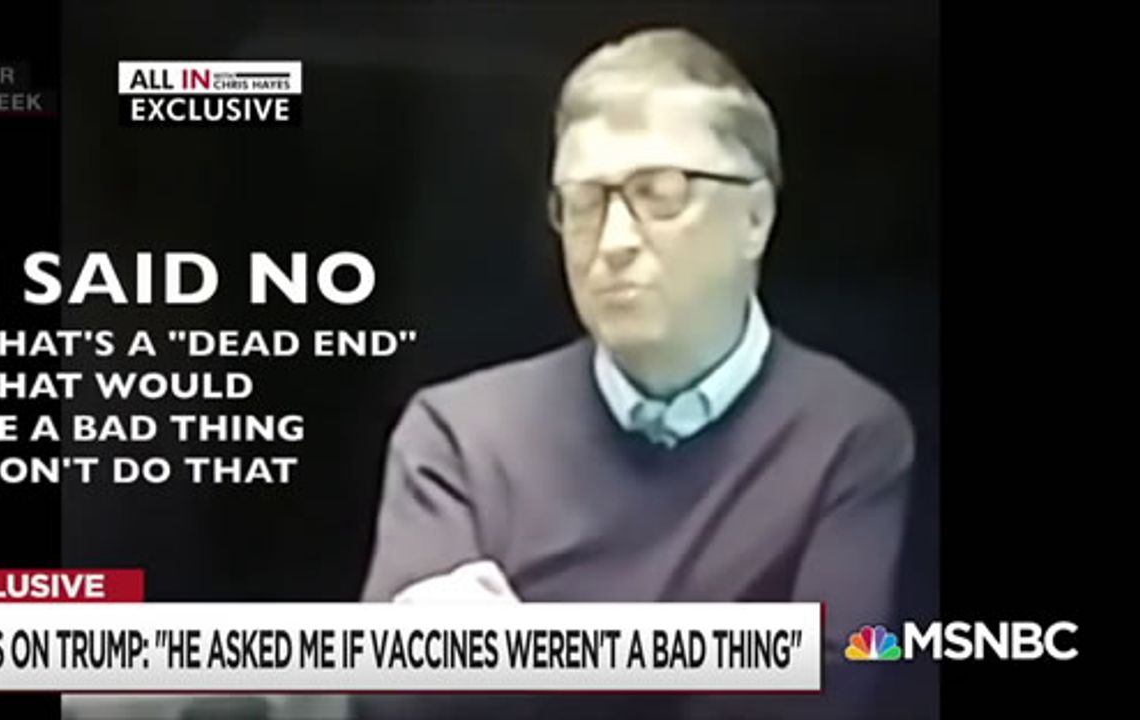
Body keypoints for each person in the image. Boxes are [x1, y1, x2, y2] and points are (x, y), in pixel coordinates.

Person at [358, 26, 918, 719]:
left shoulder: (852, 435)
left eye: (660, 193)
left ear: (755, 217)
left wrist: (523, 657)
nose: (613, 240)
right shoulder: (457, 436)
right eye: (584, 201)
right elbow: (395, 693)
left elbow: (855, 670)